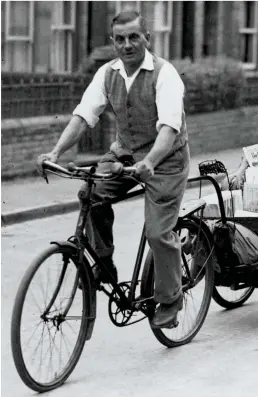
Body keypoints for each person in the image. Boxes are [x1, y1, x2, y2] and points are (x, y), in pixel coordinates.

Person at [37, 10, 189, 329]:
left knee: (158, 232)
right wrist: (55, 151)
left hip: (165, 159)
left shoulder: (165, 74)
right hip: (125, 154)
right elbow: (83, 116)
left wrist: (150, 162)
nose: (127, 44)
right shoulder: (108, 73)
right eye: (119, 39)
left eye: (134, 37)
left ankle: (170, 298)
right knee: (89, 194)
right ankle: (102, 265)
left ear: (147, 38)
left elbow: (169, 128)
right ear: (113, 42)